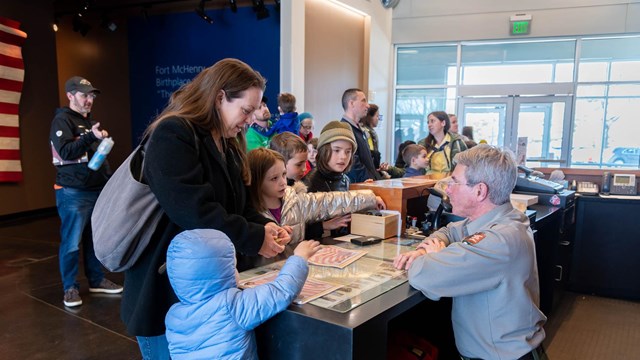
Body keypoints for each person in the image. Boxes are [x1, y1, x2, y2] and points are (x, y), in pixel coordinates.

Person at [121, 58, 290, 359]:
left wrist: (263, 226)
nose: (251, 119)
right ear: (220, 97)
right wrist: (253, 237)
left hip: (209, 290)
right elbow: (194, 212)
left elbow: (235, 205)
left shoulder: (228, 142)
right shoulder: (173, 133)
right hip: (166, 291)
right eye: (246, 110)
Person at [393, 145, 547, 360]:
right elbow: (449, 230)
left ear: (480, 191)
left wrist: (431, 258)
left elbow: (424, 275)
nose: (448, 188)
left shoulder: (499, 240)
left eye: (455, 181)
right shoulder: (499, 220)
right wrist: (426, 251)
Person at [164, 229, 320, 359]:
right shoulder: (232, 306)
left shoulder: (173, 316)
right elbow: (282, 290)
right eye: (233, 266)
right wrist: (299, 257)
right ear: (222, 272)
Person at [49, 76, 123, 308]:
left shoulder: (88, 123)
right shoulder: (62, 120)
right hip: (73, 193)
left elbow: (95, 160)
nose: (89, 100)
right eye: (84, 95)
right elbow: (66, 152)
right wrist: (91, 136)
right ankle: (70, 288)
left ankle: (96, 279)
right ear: (70, 96)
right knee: (71, 242)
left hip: (95, 190)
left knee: (94, 240)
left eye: (91, 96)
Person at [247, 148, 384, 255]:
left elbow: (332, 201)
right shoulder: (247, 209)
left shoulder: (296, 200)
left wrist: (371, 198)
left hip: (294, 269)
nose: (283, 182)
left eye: (283, 174)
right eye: (274, 178)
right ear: (257, 181)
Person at [303, 121, 359, 239]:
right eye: (336, 150)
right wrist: (324, 226)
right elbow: (296, 229)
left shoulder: (346, 180)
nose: (343, 157)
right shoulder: (309, 183)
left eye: (348, 151)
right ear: (323, 151)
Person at [340, 88, 382, 183]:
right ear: (352, 103)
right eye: (363, 101)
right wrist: (370, 179)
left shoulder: (358, 129)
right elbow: (353, 162)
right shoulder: (344, 129)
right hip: (361, 187)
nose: (367, 105)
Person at [418, 111, 467, 176]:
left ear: (443, 123)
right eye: (428, 122)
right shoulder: (422, 144)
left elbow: (466, 165)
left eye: (432, 121)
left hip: (450, 182)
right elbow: (415, 167)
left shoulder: (458, 142)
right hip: (427, 183)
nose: (429, 125)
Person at [360, 104, 382, 170]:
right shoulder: (366, 132)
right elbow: (372, 153)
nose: (378, 119)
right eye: (377, 116)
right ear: (369, 117)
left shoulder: (369, 131)